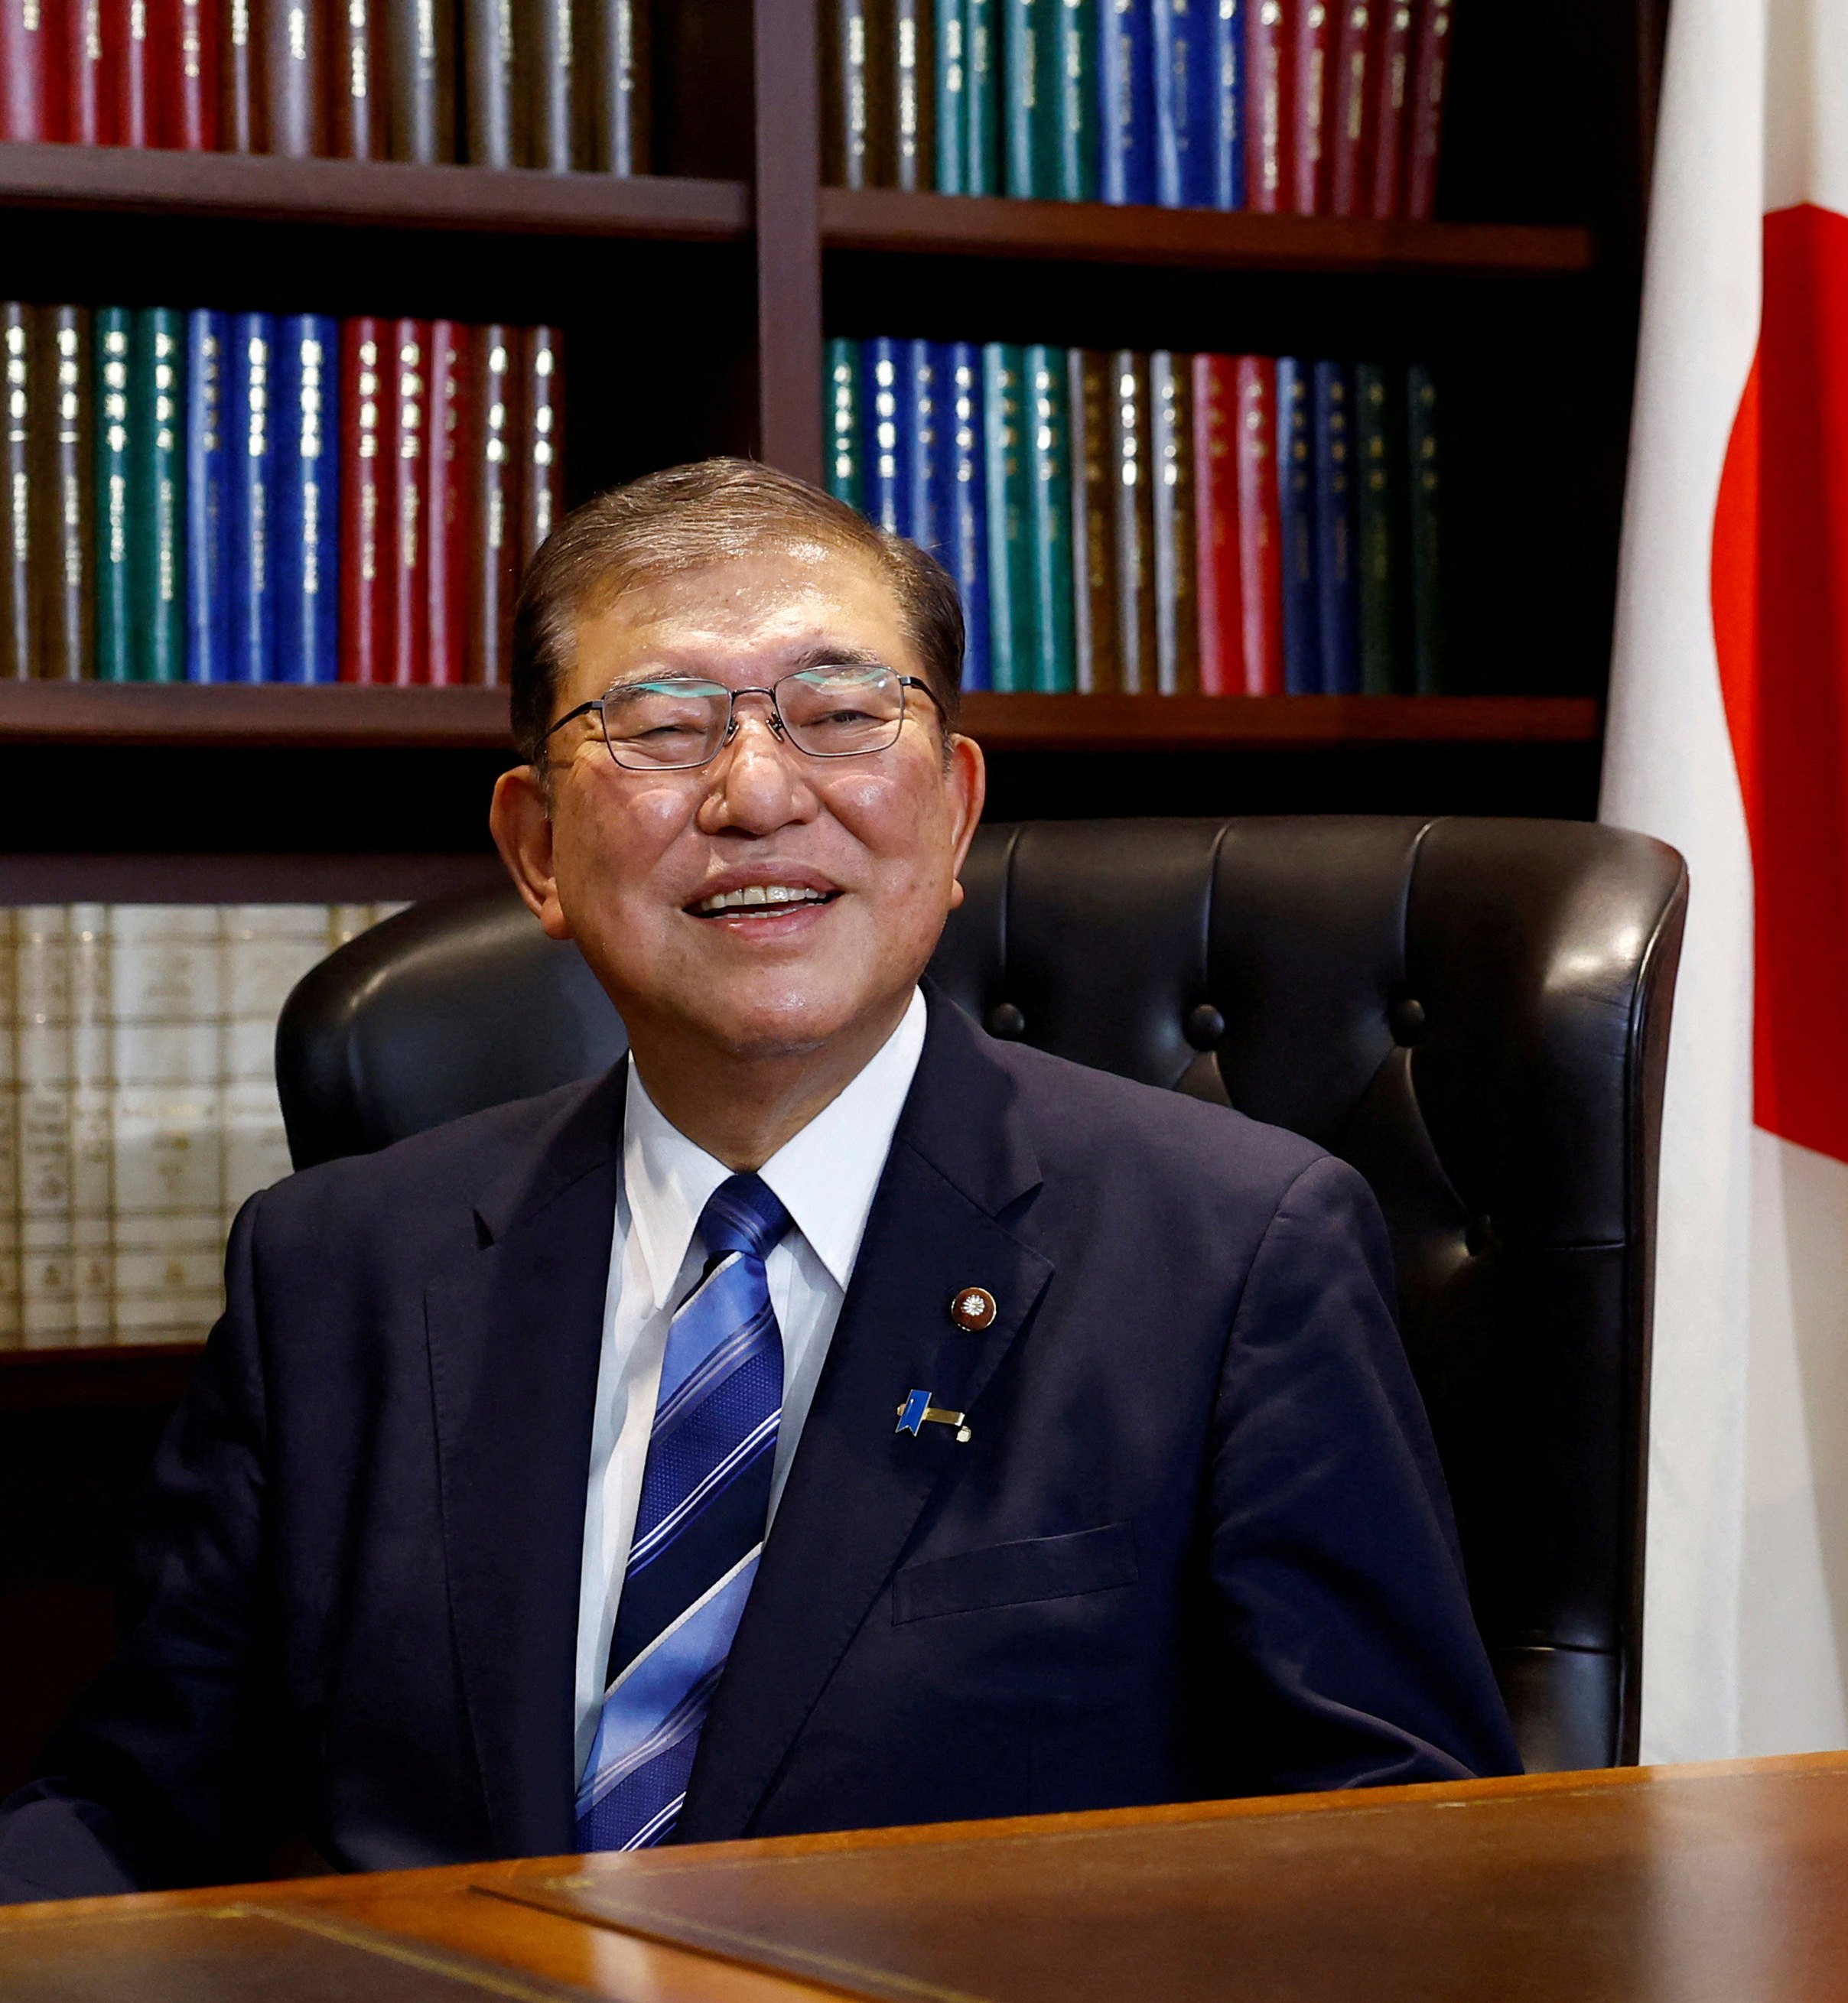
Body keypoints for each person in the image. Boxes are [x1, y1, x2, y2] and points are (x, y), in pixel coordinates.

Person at [0, 459, 1518, 1902]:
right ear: (534, 847)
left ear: (951, 809)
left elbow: (1388, 1862)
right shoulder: (335, 1268)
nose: (756, 790)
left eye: (840, 713)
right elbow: (134, 1810)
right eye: (660, 728)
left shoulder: (1231, 1254)